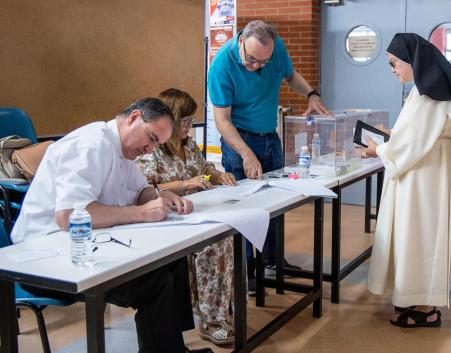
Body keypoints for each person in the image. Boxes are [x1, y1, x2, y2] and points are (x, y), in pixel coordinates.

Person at [11, 98, 212, 353]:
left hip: (84, 244)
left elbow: (139, 189)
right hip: (45, 255)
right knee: (154, 282)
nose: (150, 149)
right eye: (150, 138)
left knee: (174, 260)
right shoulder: (91, 144)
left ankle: (172, 347)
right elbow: (70, 215)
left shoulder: (123, 149)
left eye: (157, 144)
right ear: (133, 118)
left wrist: (157, 197)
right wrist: (141, 213)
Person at [208, 19, 331, 287]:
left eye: (263, 61)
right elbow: (222, 121)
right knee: (243, 207)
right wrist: (246, 154)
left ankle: (271, 259)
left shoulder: (274, 49)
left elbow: (290, 75)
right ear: (240, 41)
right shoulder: (221, 66)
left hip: (269, 137)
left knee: (275, 202)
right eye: (251, 59)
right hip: (239, 140)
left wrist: (311, 93)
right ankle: (246, 269)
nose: (257, 66)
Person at [363, 33, 451, 328]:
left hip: (423, 181)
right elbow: (417, 136)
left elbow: (414, 143)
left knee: (420, 237)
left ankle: (426, 308)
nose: (393, 69)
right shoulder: (430, 89)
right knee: (419, 237)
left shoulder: (428, 95)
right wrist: (392, 136)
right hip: (425, 175)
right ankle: (418, 298)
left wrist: (379, 148)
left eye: (395, 63)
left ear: (412, 60)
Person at [136, 88, 237, 346]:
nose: (189, 126)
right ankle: (211, 319)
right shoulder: (152, 149)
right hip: (166, 216)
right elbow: (146, 188)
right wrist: (185, 183)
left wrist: (217, 175)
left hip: (194, 211)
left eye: (191, 120)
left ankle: (219, 309)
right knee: (215, 244)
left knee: (228, 232)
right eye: (185, 121)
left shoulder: (189, 145)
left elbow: (204, 169)